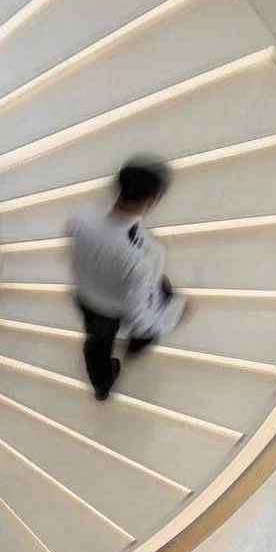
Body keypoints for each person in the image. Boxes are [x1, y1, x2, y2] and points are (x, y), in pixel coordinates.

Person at [67, 157, 187, 401]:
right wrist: (176, 313)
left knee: (96, 346)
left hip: (86, 297)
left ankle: (101, 386)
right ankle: (134, 348)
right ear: (155, 200)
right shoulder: (144, 258)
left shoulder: (81, 215)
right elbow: (140, 315)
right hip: (113, 306)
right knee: (156, 309)